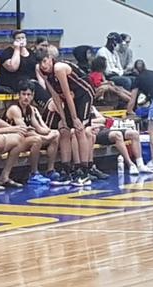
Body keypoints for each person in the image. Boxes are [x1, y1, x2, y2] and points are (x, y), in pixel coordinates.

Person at [36, 49, 95, 186]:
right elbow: (55, 95)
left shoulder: (58, 68)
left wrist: (74, 118)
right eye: (40, 63)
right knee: (63, 129)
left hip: (84, 94)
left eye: (45, 61)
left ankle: (84, 171)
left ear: (50, 58)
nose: (43, 65)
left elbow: (67, 94)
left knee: (80, 130)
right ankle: (67, 170)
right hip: (70, 96)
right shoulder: (41, 70)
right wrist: (63, 117)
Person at [4, 80, 67, 185]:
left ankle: (50, 170)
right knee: (36, 140)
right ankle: (33, 173)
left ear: (33, 96)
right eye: (23, 94)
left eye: (29, 95)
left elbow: (39, 128)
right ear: (18, 95)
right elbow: (25, 131)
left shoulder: (31, 109)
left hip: (24, 139)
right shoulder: (15, 109)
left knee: (55, 136)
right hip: (13, 141)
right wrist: (44, 138)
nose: (26, 97)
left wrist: (52, 132)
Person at [0, 30, 49, 107]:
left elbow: (37, 71)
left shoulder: (31, 53)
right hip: (13, 83)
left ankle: (50, 104)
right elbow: (13, 67)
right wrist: (17, 49)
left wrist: (44, 87)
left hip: (31, 82)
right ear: (14, 40)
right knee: (31, 85)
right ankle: (48, 105)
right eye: (18, 38)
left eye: (23, 38)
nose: (21, 40)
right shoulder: (8, 52)